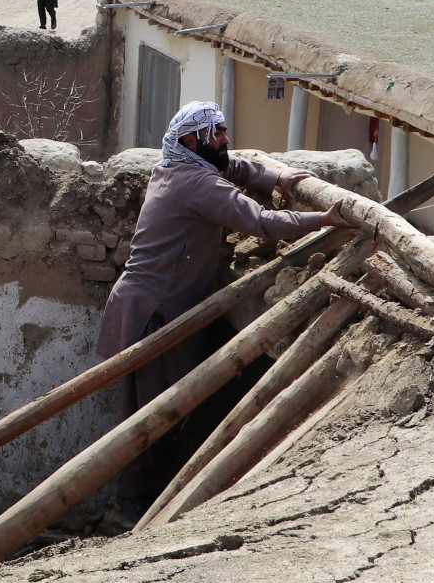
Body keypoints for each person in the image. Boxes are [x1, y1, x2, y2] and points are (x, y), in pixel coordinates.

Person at [98, 101, 352, 514]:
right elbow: (261, 222)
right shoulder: (197, 184)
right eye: (214, 132)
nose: (224, 139)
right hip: (153, 314)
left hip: (153, 306)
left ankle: (141, 505)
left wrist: (280, 175)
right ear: (190, 140)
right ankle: (133, 511)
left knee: (160, 415)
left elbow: (237, 166)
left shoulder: (181, 166)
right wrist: (323, 219)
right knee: (150, 420)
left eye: (221, 129)